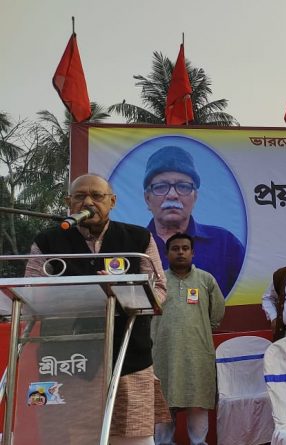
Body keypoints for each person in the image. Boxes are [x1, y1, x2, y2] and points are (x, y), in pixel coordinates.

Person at [25, 174, 169, 444]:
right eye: (79, 196)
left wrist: (123, 294)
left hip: (127, 359)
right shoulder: (47, 241)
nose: (88, 202)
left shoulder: (138, 238)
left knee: (133, 437)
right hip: (66, 362)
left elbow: (159, 291)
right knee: (68, 438)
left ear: (112, 201)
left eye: (97, 196)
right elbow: (31, 294)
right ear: (68, 202)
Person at [143, 145, 245, 297]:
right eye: (161, 187)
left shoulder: (225, 245)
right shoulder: (134, 246)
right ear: (147, 198)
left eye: (183, 186)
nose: (172, 195)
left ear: (195, 197)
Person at [153, 233, 225, 445]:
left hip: (198, 351)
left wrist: (198, 331)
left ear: (192, 252)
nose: (181, 252)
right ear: (166, 253)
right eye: (175, 249)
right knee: (164, 401)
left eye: (185, 248)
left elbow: (217, 313)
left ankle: (198, 442)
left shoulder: (205, 279)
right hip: (164, 353)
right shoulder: (157, 281)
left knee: (197, 400)